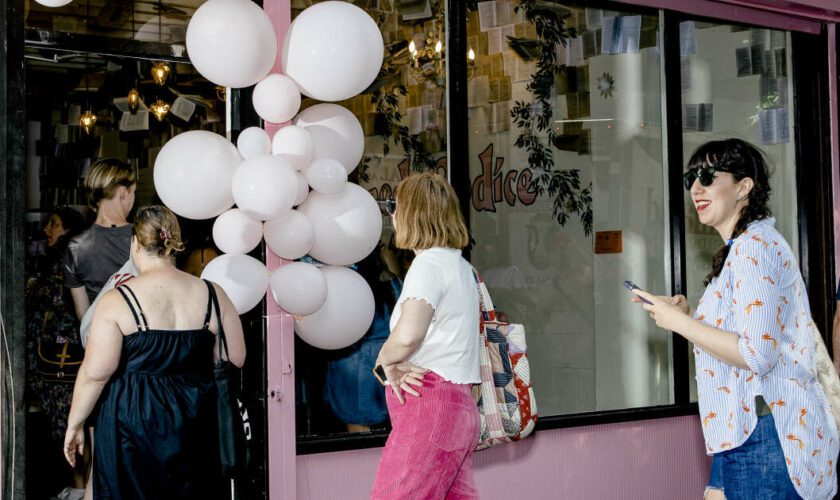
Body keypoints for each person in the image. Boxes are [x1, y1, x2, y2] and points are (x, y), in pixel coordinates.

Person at [631, 139, 838, 499]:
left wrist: (679, 323)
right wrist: (687, 317)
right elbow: (746, 341)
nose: (696, 188)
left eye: (708, 177)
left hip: (766, 435)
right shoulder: (744, 247)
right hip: (744, 425)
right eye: (691, 178)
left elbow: (756, 354)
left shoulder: (753, 249)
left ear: (744, 187)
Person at [62, 205, 246, 498]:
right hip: (197, 419)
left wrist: (75, 424)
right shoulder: (213, 294)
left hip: (132, 423)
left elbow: (96, 374)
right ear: (174, 242)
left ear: (135, 243)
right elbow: (234, 357)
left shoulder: (118, 300)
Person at [371, 172, 481, 499]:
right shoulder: (461, 267)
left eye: (394, 204)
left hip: (430, 409)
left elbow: (409, 335)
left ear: (412, 212)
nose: (391, 213)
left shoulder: (428, 265)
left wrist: (384, 361)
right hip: (457, 409)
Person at [24, 207, 86, 500]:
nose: (47, 229)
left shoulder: (69, 262)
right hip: (53, 362)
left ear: (69, 231)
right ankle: (77, 485)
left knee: (70, 424)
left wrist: (35, 287)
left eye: (54, 224)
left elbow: (58, 303)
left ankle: (79, 487)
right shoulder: (58, 262)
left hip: (66, 363)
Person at [324, 241, 404, 432]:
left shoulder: (349, 285)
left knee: (357, 424)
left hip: (354, 359)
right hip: (387, 357)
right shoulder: (393, 282)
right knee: (392, 423)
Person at [64, 158, 137, 322]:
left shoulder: (75, 247)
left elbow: (84, 316)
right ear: (123, 193)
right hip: (143, 340)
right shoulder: (143, 237)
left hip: (101, 337)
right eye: (133, 192)